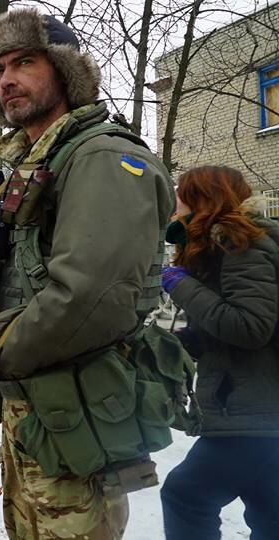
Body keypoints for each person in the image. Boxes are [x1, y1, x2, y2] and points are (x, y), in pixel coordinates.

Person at [0, 9, 174, 539]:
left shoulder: (101, 156)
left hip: (78, 423)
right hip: (39, 417)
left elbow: (88, 299)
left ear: (66, 72)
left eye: (24, 62)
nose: (7, 79)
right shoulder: (38, 164)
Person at [159, 166, 279, 539]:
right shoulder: (226, 244)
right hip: (260, 412)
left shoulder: (239, 243)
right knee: (269, 514)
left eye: (182, 195)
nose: (175, 203)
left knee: (185, 496)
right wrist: (190, 339)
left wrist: (179, 285)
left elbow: (250, 327)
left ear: (203, 198)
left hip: (252, 413)